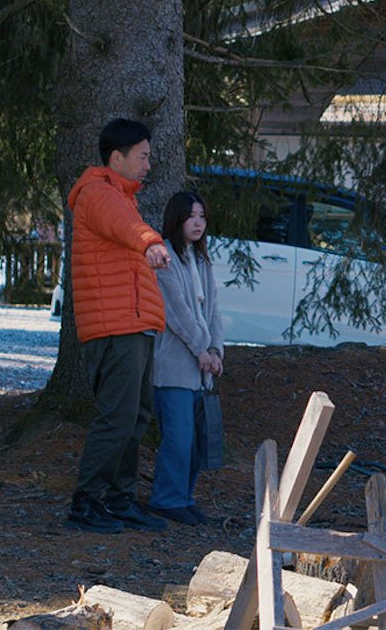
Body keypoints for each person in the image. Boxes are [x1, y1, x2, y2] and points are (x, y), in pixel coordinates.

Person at [66, 118, 171, 534]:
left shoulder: (122, 196)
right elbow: (127, 230)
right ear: (117, 158)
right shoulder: (98, 192)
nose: (149, 164)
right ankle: (85, 503)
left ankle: (119, 499)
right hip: (115, 329)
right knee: (118, 417)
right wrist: (151, 241)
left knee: (136, 416)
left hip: (132, 325)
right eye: (142, 156)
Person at [148, 191, 224, 526]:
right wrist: (201, 350)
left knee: (196, 440)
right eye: (191, 216)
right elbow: (175, 313)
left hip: (201, 368)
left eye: (202, 216)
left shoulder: (202, 260)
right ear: (177, 218)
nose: (198, 222)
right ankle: (166, 498)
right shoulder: (165, 258)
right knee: (177, 438)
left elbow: (214, 313)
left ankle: (184, 497)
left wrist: (217, 351)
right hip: (175, 367)